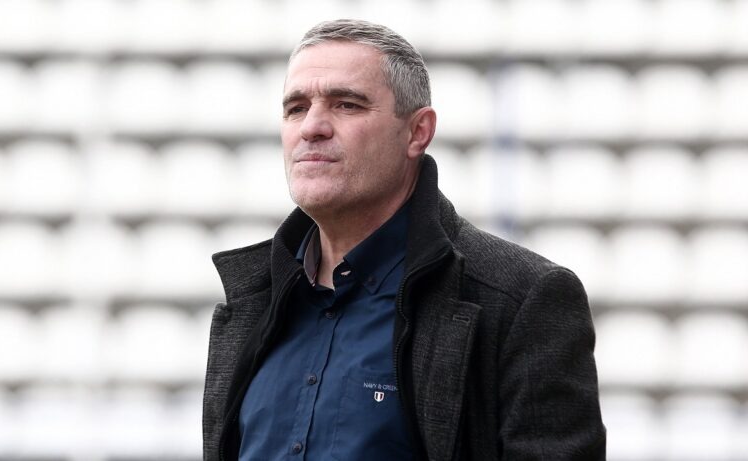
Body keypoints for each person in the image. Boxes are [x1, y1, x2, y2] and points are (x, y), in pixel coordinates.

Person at [203, 19, 606, 461]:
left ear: (418, 132)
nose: (312, 127)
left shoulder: (522, 300)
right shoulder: (253, 303)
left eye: (347, 105)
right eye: (296, 108)